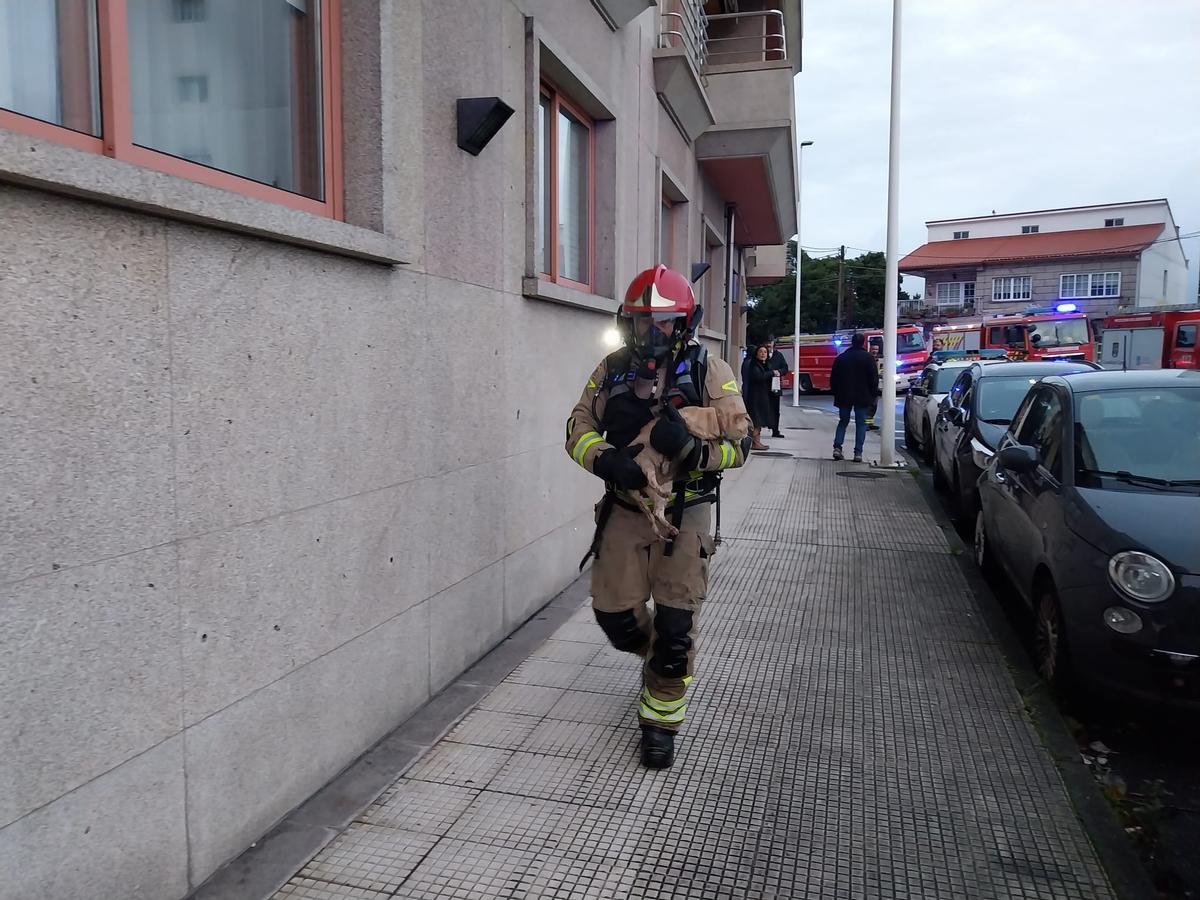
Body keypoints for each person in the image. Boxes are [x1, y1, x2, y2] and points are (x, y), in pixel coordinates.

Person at [565, 265, 751, 769]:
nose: (652, 332)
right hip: (626, 510)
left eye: (664, 322)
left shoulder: (711, 372)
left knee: (674, 628)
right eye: (642, 321)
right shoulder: (610, 369)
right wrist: (605, 459)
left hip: (686, 513)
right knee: (616, 620)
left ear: (684, 324)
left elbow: (743, 446)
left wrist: (693, 451)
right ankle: (658, 660)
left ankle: (660, 721)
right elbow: (577, 426)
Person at [829, 332, 878, 462]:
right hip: (862, 396)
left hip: (844, 396)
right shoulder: (868, 358)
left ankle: (837, 447)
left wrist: (836, 393)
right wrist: (873, 394)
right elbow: (874, 379)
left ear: (852, 342)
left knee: (843, 421)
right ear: (863, 343)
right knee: (861, 424)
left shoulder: (841, 358)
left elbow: (834, 379)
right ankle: (858, 452)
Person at [743, 344, 774, 451]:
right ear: (756, 353)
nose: (763, 354)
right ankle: (753, 442)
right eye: (760, 352)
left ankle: (757, 442)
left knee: (759, 421)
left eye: (765, 352)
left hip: (763, 397)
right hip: (755, 397)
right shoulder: (754, 365)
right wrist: (771, 373)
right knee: (756, 421)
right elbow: (758, 377)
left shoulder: (766, 365)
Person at [765, 336, 790, 438]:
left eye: (770, 342)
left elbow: (785, 368)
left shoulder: (778, 355)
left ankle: (775, 430)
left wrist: (779, 372)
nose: (768, 345)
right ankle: (757, 430)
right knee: (761, 408)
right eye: (766, 342)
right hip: (763, 385)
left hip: (775, 386)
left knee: (775, 409)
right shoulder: (761, 354)